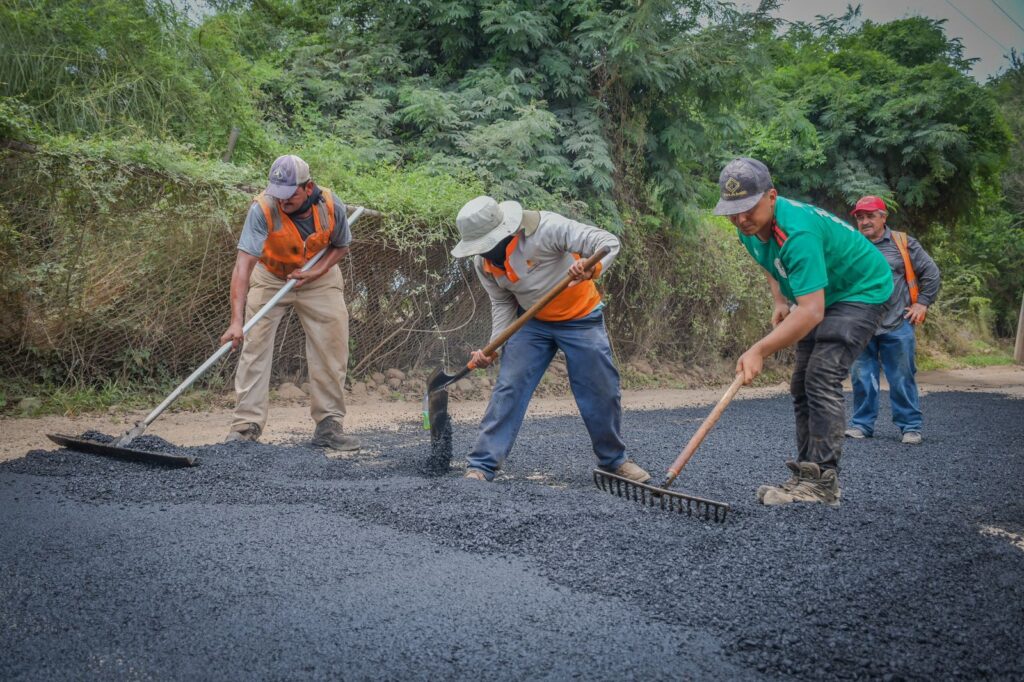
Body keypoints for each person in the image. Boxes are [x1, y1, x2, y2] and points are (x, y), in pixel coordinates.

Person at [713, 158, 893, 507]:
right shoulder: (747, 227)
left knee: (822, 376)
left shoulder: (798, 232)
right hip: (823, 294)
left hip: (861, 290)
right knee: (801, 384)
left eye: (747, 208)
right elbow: (768, 261)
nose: (740, 219)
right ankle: (805, 476)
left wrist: (758, 350)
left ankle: (823, 482)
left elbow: (812, 311)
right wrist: (779, 299)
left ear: (771, 197)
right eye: (732, 212)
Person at [451, 195, 650, 483]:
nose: (482, 253)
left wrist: (591, 269)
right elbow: (503, 303)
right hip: (533, 323)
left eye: (486, 245)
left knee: (600, 388)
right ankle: (482, 465)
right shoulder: (483, 264)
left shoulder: (546, 229)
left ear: (505, 232)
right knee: (509, 386)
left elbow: (608, 242)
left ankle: (613, 460)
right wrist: (492, 347)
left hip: (581, 317)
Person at [219, 154, 359, 452]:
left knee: (332, 349)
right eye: (277, 194)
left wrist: (315, 272)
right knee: (254, 346)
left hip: (319, 277)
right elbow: (243, 265)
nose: (282, 201)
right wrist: (236, 321)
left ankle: (329, 426)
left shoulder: (332, 206)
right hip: (271, 275)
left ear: (308, 188)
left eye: (289, 194)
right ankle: (245, 427)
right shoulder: (263, 208)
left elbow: (341, 246)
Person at [845, 196, 941, 444]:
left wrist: (922, 303)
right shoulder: (851, 244)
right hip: (860, 327)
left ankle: (910, 426)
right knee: (861, 376)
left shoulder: (903, 243)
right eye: (860, 217)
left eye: (870, 216)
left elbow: (931, 273)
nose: (864, 221)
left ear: (883, 217)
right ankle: (862, 425)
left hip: (897, 324)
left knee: (901, 377)